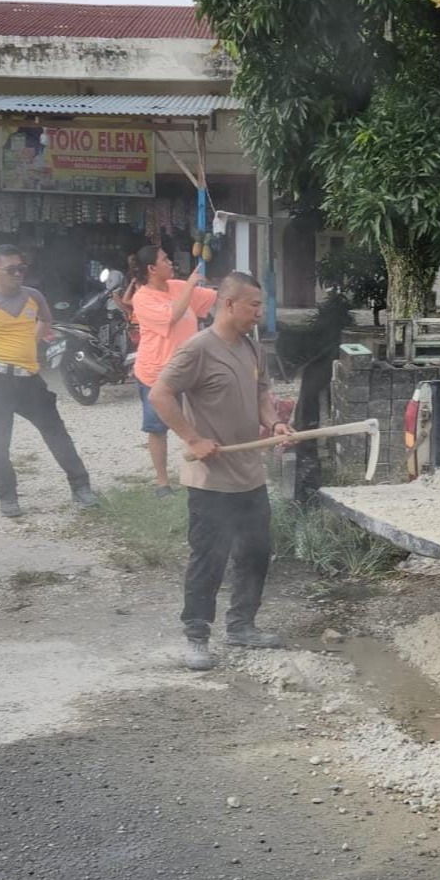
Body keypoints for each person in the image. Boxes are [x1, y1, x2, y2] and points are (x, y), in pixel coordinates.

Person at [150, 271, 292, 671]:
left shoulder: (252, 349)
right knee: (208, 558)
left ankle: (241, 625)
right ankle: (196, 637)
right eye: (254, 305)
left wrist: (274, 424)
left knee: (256, 553)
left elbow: (261, 393)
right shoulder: (197, 349)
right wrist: (193, 439)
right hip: (210, 479)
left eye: (260, 306)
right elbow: (160, 394)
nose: (259, 314)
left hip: (249, 474)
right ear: (229, 304)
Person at [0, 245, 99, 518]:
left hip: (29, 381)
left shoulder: (34, 296)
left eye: (21, 268)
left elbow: (46, 321)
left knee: (57, 434)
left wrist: (30, 341)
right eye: (10, 269)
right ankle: (7, 496)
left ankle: (81, 487)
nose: (17, 274)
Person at [130, 241, 218, 495]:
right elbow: (172, 317)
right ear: (151, 268)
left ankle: (201, 476)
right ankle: (162, 482)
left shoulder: (178, 287)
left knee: (197, 424)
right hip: (156, 373)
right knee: (158, 428)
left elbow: (213, 299)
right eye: (165, 260)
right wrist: (191, 285)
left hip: (190, 370)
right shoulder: (142, 298)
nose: (171, 263)